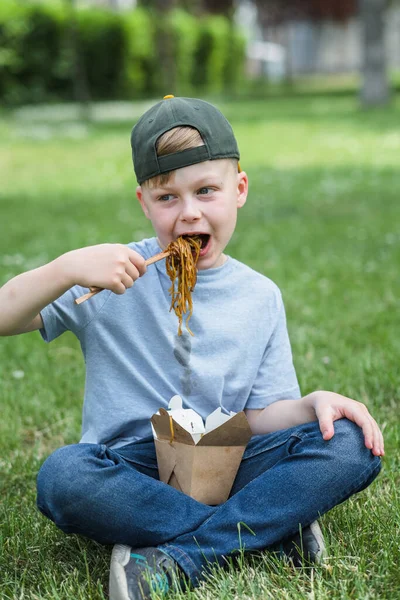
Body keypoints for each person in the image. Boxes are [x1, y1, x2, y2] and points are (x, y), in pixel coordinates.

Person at [0, 96, 384, 600]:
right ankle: (264, 530)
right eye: (167, 198)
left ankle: (179, 554)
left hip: (230, 456)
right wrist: (65, 268)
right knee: (63, 477)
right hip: (131, 469)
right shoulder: (110, 273)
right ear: (143, 202)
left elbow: (262, 414)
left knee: (352, 444)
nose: (189, 213)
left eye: (206, 190)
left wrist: (312, 404)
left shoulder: (259, 295)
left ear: (239, 189)